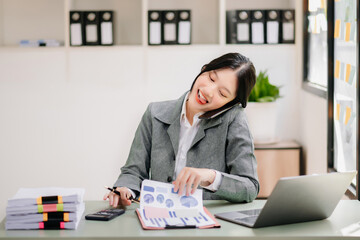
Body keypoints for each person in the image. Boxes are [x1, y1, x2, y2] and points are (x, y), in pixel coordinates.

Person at [104, 52, 259, 207]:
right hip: (157, 219)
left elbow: (250, 187)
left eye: (222, 93)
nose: (208, 91)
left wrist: (211, 177)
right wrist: (126, 189)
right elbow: (133, 171)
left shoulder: (234, 120)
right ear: (204, 69)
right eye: (211, 78)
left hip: (207, 224)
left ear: (231, 103)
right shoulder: (155, 113)